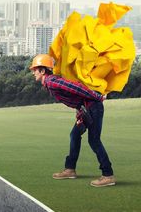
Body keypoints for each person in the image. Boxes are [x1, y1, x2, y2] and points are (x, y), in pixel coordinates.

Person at [30, 54, 116, 187]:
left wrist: (97, 97)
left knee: (94, 140)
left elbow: (76, 87)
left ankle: (108, 175)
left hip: (93, 106)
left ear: (42, 71)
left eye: (34, 70)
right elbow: (75, 97)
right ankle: (70, 170)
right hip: (86, 109)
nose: (33, 72)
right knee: (74, 135)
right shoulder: (49, 83)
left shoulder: (52, 81)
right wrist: (79, 112)